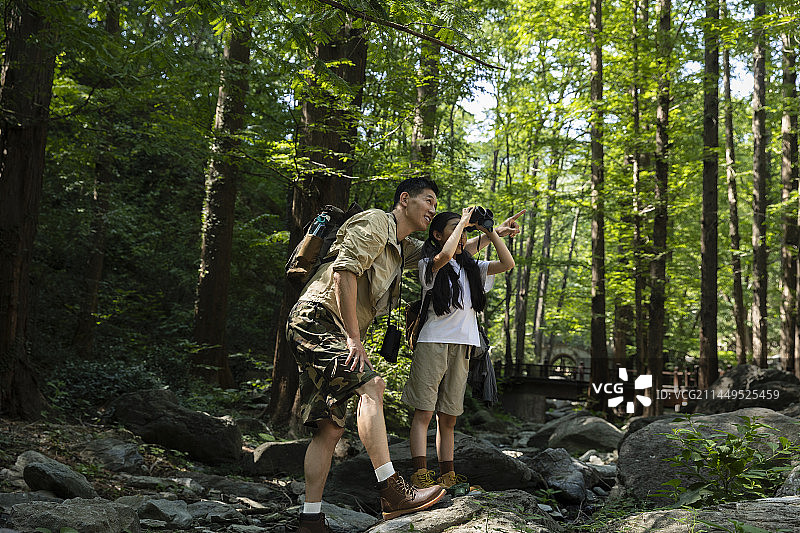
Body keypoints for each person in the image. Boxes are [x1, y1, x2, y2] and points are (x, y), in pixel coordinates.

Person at [286, 177, 522, 533]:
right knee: (372, 387)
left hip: (330, 325)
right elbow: (344, 272)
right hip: (317, 319)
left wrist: (493, 232)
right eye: (429, 200)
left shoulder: (404, 247)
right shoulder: (375, 222)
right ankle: (392, 491)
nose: (432, 208)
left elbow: (452, 251)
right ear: (405, 199)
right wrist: (353, 338)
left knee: (330, 429)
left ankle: (310, 519)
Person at [402, 207, 517, 491]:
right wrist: (464, 221)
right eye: (455, 230)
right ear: (437, 235)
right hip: (432, 342)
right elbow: (443, 256)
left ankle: (448, 475)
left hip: (463, 345)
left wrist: (491, 231)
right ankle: (420, 474)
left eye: (464, 231)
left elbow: (508, 263)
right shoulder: (429, 263)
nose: (462, 234)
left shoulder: (472, 268)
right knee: (424, 412)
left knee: (449, 417)